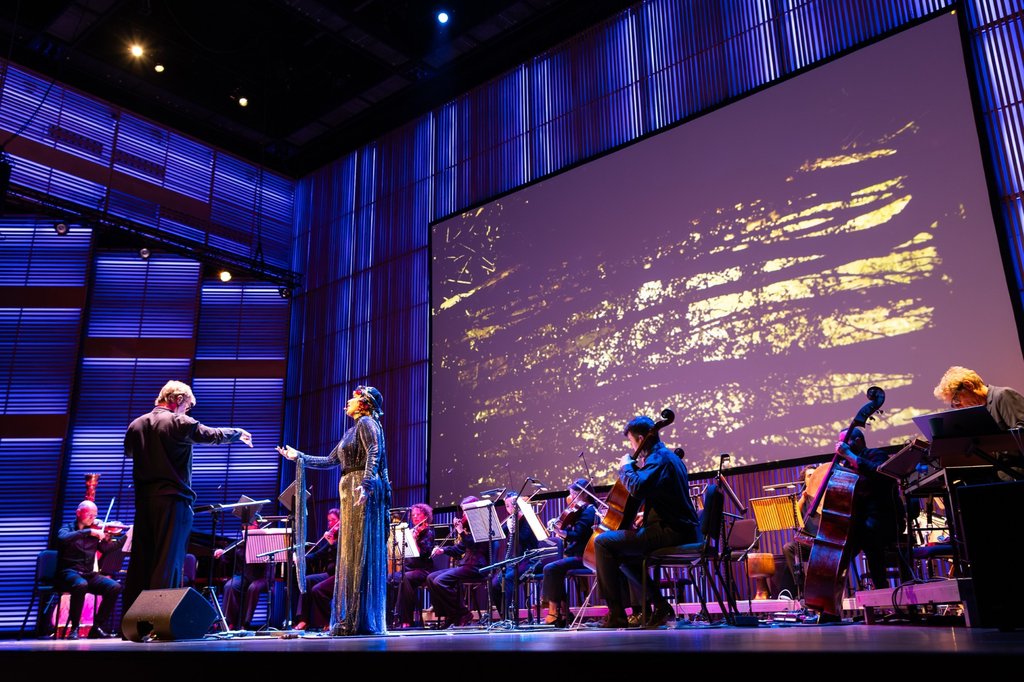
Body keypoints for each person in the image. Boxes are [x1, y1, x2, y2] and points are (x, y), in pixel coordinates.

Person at [122, 380, 252, 615]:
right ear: (178, 400)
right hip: (173, 500)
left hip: (144, 501)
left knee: (140, 561)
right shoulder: (178, 422)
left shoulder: (136, 424)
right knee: (168, 561)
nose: (187, 410)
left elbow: (130, 452)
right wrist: (238, 432)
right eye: (188, 405)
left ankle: (132, 623)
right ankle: (158, 620)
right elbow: (211, 435)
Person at [277, 385, 392, 636]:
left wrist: (367, 483)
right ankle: (352, 616)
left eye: (353, 399)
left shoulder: (367, 424)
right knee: (351, 551)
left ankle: (358, 617)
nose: (347, 402)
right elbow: (330, 461)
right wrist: (299, 456)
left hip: (360, 486)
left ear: (364, 403)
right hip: (350, 489)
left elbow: (374, 451)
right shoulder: (351, 431)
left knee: (359, 550)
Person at [592, 415, 699, 628]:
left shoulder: (659, 459)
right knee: (623, 555)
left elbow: (638, 487)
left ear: (640, 439)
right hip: (677, 526)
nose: (632, 448)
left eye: (632, 442)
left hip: (672, 530)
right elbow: (664, 496)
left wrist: (625, 467)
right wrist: (647, 515)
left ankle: (616, 614)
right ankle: (659, 605)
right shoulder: (669, 457)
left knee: (602, 542)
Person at [831, 427, 906, 591]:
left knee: (867, 535)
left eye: (845, 442)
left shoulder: (876, 454)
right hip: (859, 521)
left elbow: (881, 474)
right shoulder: (844, 464)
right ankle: (832, 598)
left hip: (884, 518)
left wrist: (850, 456)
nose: (841, 446)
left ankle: (881, 590)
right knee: (841, 545)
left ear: (857, 441)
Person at [933, 366, 1024, 479]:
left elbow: (1021, 435)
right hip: (1004, 476)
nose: (957, 407)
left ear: (968, 385)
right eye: (953, 405)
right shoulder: (979, 412)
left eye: (956, 400)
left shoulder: (1002, 395)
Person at [54, 500, 124, 639]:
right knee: (81, 585)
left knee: (114, 587)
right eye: (89, 514)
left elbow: (105, 549)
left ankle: (96, 627)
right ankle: (74, 628)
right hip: (68, 573)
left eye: (95, 515)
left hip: (88, 574)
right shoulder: (67, 529)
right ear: (78, 513)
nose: (93, 518)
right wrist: (88, 531)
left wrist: (122, 539)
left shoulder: (94, 533)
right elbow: (62, 539)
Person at [426, 496, 493, 628]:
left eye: (465, 511)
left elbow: (477, 547)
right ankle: (450, 615)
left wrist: (461, 531)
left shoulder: (483, 525)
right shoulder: (468, 527)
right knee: (430, 578)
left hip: (477, 566)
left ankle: (462, 613)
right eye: (463, 511)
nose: (463, 515)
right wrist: (443, 550)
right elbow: (460, 549)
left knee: (440, 581)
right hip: (466, 564)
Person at [542, 479, 597, 627]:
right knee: (554, 569)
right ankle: (564, 613)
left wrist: (560, 531)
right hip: (575, 554)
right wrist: (558, 524)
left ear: (583, 494)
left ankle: (554, 612)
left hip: (585, 556)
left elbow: (577, 534)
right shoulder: (580, 511)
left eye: (573, 494)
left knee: (551, 568)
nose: (571, 498)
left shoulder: (590, 511)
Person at [214, 519, 273, 631]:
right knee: (229, 586)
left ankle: (245, 623)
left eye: (254, 524)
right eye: (248, 525)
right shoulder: (240, 543)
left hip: (261, 577)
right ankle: (230, 622)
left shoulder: (264, 541)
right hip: (243, 575)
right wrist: (221, 552)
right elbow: (227, 557)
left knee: (253, 588)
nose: (251, 527)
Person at [489, 492, 540, 619]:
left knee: (508, 578)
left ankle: (510, 618)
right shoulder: (512, 520)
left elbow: (523, 538)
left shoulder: (528, 518)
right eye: (506, 506)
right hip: (515, 560)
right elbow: (500, 533)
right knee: (494, 583)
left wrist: (514, 530)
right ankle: (504, 616)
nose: (510, 509)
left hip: (530, 559)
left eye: (512, 505)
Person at [389, 503, 435, 629]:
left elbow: (422, 554)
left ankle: (406, 620)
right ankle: (389, 619)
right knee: (389, 579)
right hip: (408, 569)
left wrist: (414, 540)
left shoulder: (428, 533)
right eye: (413, 515)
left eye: (418, 514)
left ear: (425, 516)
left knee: (406, 578)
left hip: (422, 570)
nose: (415, 517)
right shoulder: (409, 532)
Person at [294, 508, 339, 631]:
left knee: (317, 589)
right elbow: (318, 554)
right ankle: (304, 619)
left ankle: (330, 621)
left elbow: (342, 556)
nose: (330, 524)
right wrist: (301, 559)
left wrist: (333, 543)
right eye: (329, 521)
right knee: (306, 581)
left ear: (340, 521)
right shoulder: (332, 537)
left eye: (333, 520)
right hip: (329, 574)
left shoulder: (342, 538)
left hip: (340, 575)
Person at [780, 465, 820, 597]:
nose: (813, 477)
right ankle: (802, 588)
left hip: (825, 542)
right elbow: (792, 517)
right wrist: (803, 498)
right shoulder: (803, 500)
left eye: (815, 475)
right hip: (810, 543)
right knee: (789, 547)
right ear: (805, 482)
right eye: (810, 475)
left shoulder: (826, 495)